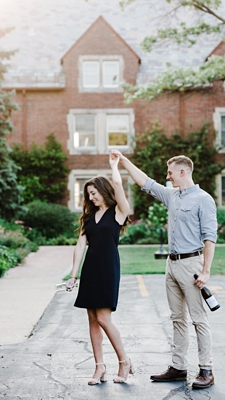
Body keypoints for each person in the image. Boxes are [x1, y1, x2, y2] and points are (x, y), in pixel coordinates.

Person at [112, 150, 218, 389]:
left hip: (192, 264)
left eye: (170, 173)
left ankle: (206, 370)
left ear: (182, 172)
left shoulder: (204, 199)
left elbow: (210, 238)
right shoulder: (172, 195)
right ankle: (178, 367)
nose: (167, 176)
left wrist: (206, 271)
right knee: (177, 318)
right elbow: (146, 182)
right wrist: (123, 160)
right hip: (171, 265)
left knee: (198, 319)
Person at [66, 152, 133, 385]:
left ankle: (124, 361)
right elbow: (80, 246)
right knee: (92, 319)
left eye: (93, 193)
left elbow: (118, 184)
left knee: (104, 318)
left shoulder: (119, 212)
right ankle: (99, 367)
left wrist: (114, 165)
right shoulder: (88, 217)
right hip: (90, 269)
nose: (91, 198)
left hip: (107, 268)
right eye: (88, 195)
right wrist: (73, 276)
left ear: (103, 191)